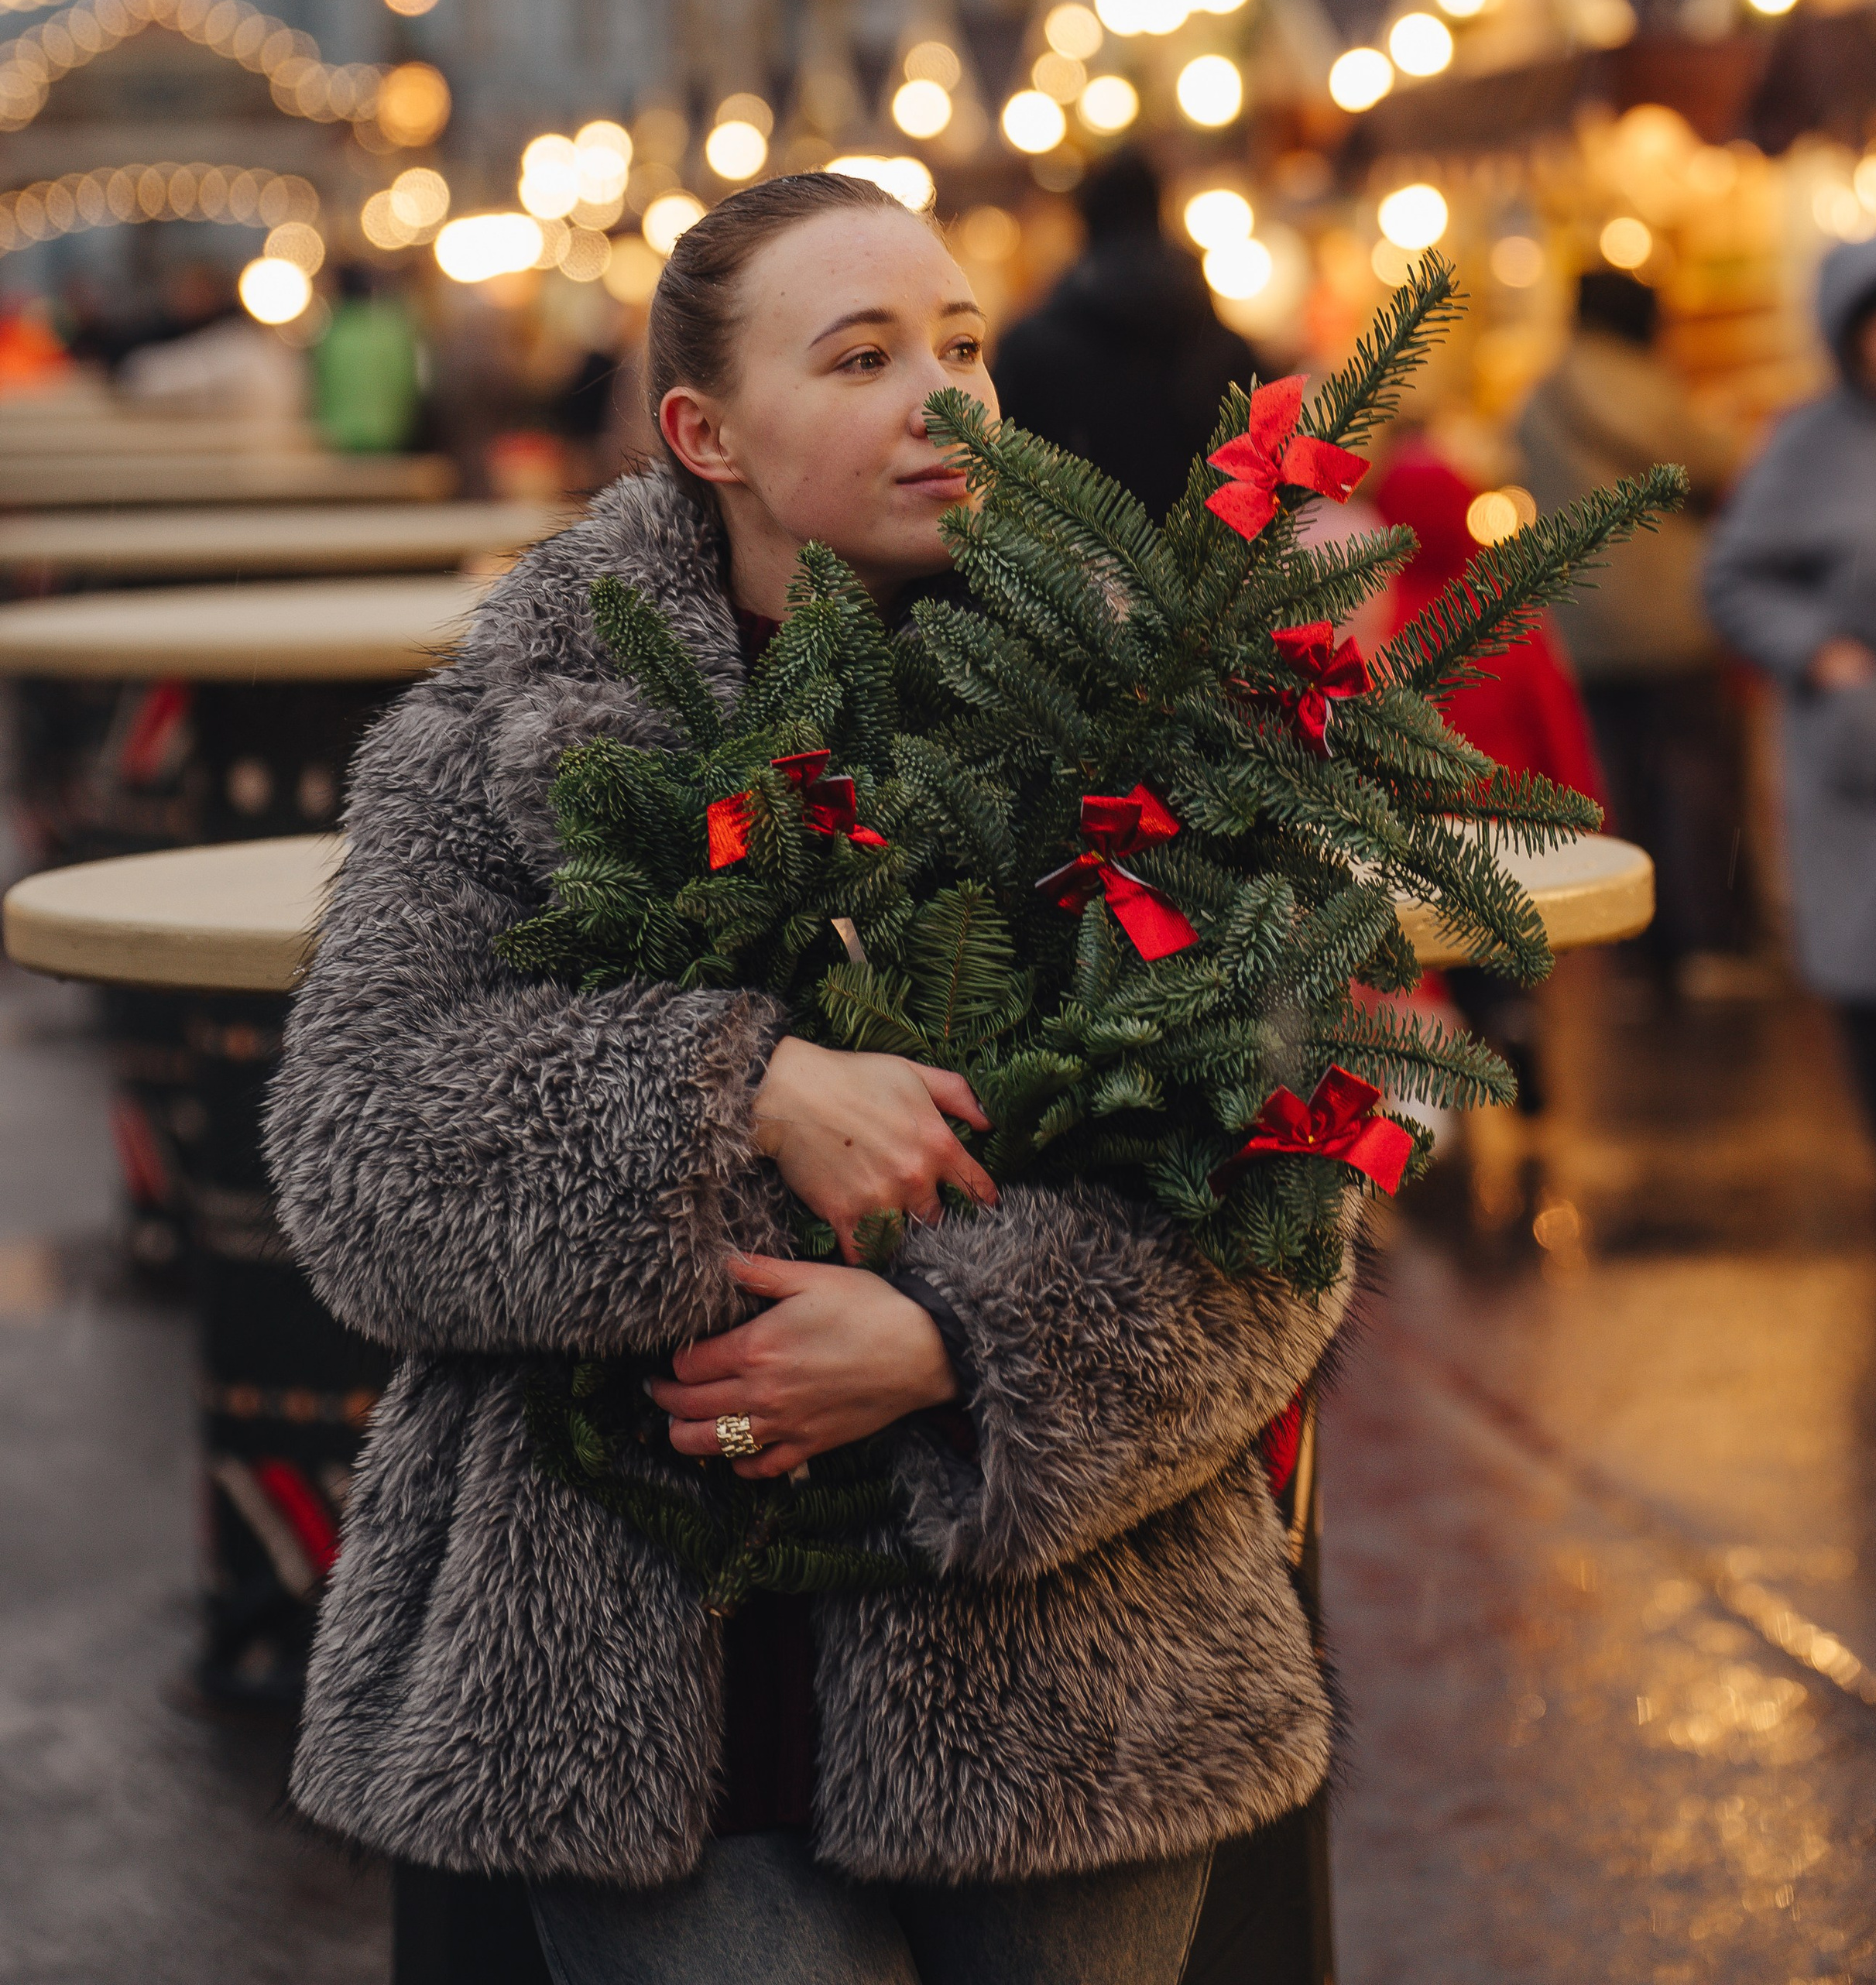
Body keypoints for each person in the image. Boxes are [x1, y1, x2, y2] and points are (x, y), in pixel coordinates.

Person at [267, 172, 1343, 1985]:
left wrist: (962, 1346)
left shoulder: (1135, 723)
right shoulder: (516, 724)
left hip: (1062, 1667)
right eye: (859, 355)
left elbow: (1282, 1183)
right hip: (622, 1665)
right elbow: (352, 1151)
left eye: (961, 344)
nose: (942, 397)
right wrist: (735, 1084)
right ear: (707, 432)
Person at [1706, 235, 1876, 1269]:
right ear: (1853, 338)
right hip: (1869, 765)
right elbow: (1733, 581)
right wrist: (1818, 655)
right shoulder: (1806, 448)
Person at [1515, 268, 1747, 998]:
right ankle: (1704, 942)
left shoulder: (1539, 398)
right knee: (1695, 779)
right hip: (1670, 619)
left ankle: (1632, 953)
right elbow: (1714, 459)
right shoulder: (1642, 383)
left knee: (1619, 783)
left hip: (1583, 622)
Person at [1369, 442, 1607, 1109]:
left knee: (1454, 946)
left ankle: (1480, 1040)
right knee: (1509, 939)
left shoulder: (1385, 621)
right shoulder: (1505, 610)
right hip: (1512, 817)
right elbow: (1554, 717)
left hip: (1427, 825)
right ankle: (1516, 1020)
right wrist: (1583, 806)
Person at [991, 149, 1254, 518]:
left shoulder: (1032, 349)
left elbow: (1002, 483)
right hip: (1221, 567)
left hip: (1070, 569)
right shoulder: (1224, 346)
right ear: (1161, 211)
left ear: (1083, 221)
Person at [313, 265, 424, 452]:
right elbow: (406, 381)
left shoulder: (334, 335)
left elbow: (320, 382)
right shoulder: (393, 331)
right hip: (391, 431)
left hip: (341, 434)